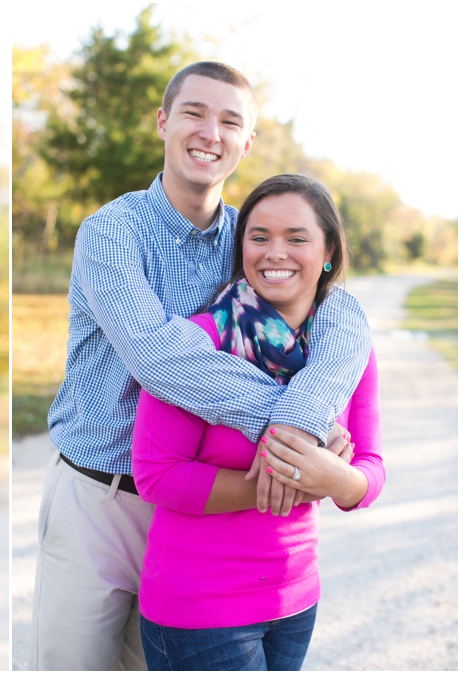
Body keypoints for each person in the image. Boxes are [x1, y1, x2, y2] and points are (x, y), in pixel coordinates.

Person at [30, 62, 371, 670]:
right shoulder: (112, 232)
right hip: (100, 499)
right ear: (164, 123)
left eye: (230, 121)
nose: (210, 132)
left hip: (196, 518)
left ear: (247, 143)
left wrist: (308, 414)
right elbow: (159, 357)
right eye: (194, 113)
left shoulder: (254, 237)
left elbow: (340, 312)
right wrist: (293, 434)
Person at [132, 174, 385, 670]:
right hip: (200, 604)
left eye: (297, 238)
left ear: (328, 251)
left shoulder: (345, 349)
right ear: (241, 247)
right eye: (259, 236)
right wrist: (295, 478)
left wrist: (340, 480)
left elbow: (371, 468)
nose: (275, 253)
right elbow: (156, 475)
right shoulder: (196, 343)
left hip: (296, 600)